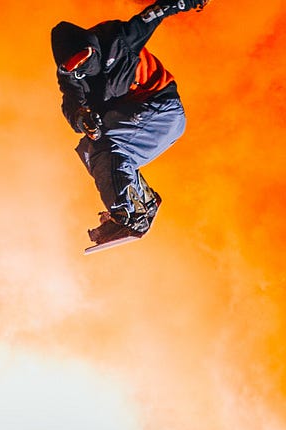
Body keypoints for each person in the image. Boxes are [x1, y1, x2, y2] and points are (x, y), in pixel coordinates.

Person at [51, 0, 208, 248]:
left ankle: (129, 214)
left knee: (106, 146)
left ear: (90, 46)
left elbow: (151, 16)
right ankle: (140, 200)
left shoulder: (114, 39)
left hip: (161, 109)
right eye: (74, 66)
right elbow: (70, 104)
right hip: (132, 116)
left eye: (84, 58)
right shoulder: (70, 77)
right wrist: (82, 117)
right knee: (88, 149)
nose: (81, 66)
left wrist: (183, 2)